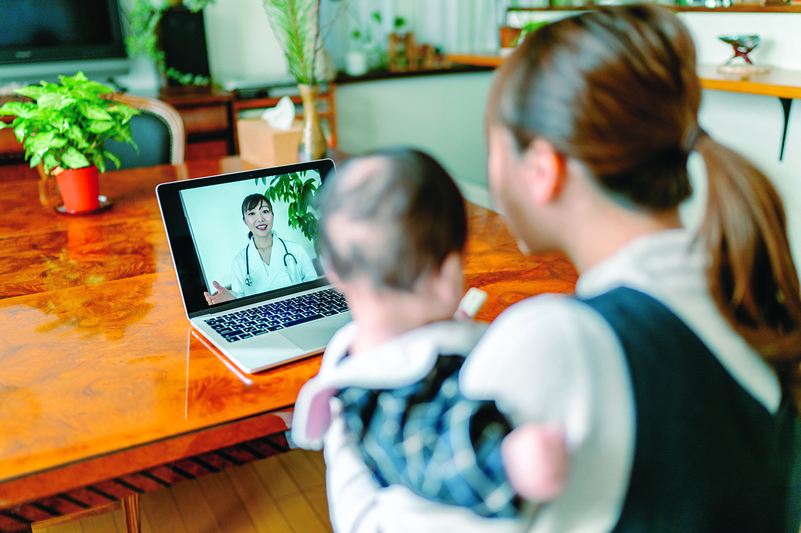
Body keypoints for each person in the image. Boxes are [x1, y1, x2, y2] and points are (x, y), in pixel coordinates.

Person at [324, 5, 801, 532]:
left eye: (494, 147)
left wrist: (354, 374)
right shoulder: (748, 292)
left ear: (544, 170)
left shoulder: (561, 342)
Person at [291, 148, 570, 532]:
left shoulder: (346, 354)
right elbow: (440, 453)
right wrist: (513, 463)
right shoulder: (398, 394)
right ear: (447, 275)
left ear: (334, 270)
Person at [204, 193, 318, 305]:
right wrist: (231, 300)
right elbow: (240, 302)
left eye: (264, 211)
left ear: (272, 215)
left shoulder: (295, 250)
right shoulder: (239, 262)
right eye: (252, 213)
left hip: (299, 311)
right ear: (245, 221)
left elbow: (315, 288)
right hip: (263, 321)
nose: (260, 219)